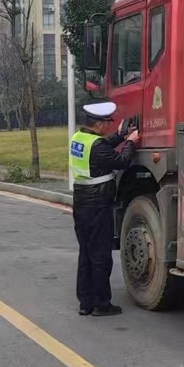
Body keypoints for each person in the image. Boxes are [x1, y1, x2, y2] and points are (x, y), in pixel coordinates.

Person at [69, 102, 139, 317]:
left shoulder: (78, 138)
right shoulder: (98, 145)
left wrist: (119, 135)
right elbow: (121, 161)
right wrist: (130, 142)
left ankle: (85, 303)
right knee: (100, 255)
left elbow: (102, 146)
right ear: (98, 124)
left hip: (81, 203)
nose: (108, 127)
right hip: (97, 205)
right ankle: (102, 304)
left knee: (86, 254)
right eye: (106, 123)